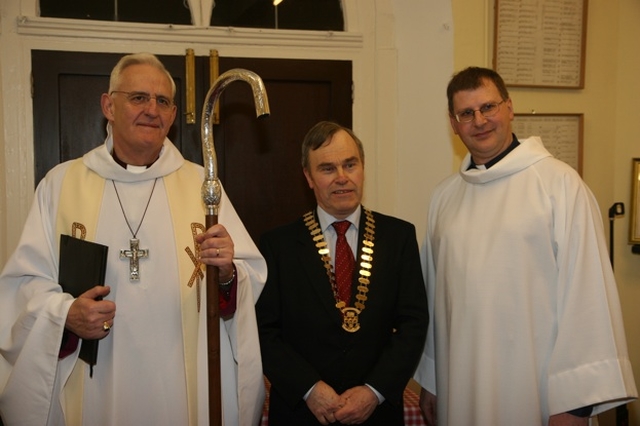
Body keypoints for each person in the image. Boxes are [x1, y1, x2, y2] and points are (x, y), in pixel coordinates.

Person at [0, 53, 267, 426]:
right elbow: (23, 288)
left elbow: (244, 281)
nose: (151, 110)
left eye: (162, 101)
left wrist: (227, 275)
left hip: (182, 381)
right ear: (109, 105)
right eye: (138, 98)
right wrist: (65, 316)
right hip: (96, 382)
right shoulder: (61, 186)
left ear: (173, 116)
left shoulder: (202, 187)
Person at [413, 66, 638, 426]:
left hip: (539, 395)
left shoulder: (559, 186)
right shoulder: (445, 197)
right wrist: (432, 379)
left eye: (489, 107)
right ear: (453, 124)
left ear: (509, 107)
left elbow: (587, 296)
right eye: (466, 113)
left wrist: (576, 405)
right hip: (460, 388)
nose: (480, 120)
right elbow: (437, 300)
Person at [256, 121, 428, 425]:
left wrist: (373, 392)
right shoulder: (276, 245)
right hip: (302, 412)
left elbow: (413, 324)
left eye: (350, 164)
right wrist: (309, 389)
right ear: (308, 177)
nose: (342, 178)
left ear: (362, 167)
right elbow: (263, 332)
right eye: (327, 169)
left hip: (377, 412)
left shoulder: (398, 237)